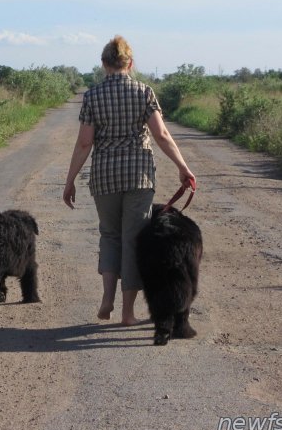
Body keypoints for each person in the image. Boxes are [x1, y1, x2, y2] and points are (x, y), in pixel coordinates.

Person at [62, 35, 196, 325]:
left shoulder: (92, 96)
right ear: (130, 63)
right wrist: (183, 167)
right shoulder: (144, 92)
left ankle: (107, 298)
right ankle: (127, 313)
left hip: (104, 178)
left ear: (103, 64)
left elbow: (85, 143)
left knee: (109, 236)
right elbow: (161, 135)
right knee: (134, 241)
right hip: (138, 176)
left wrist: (70, 180)